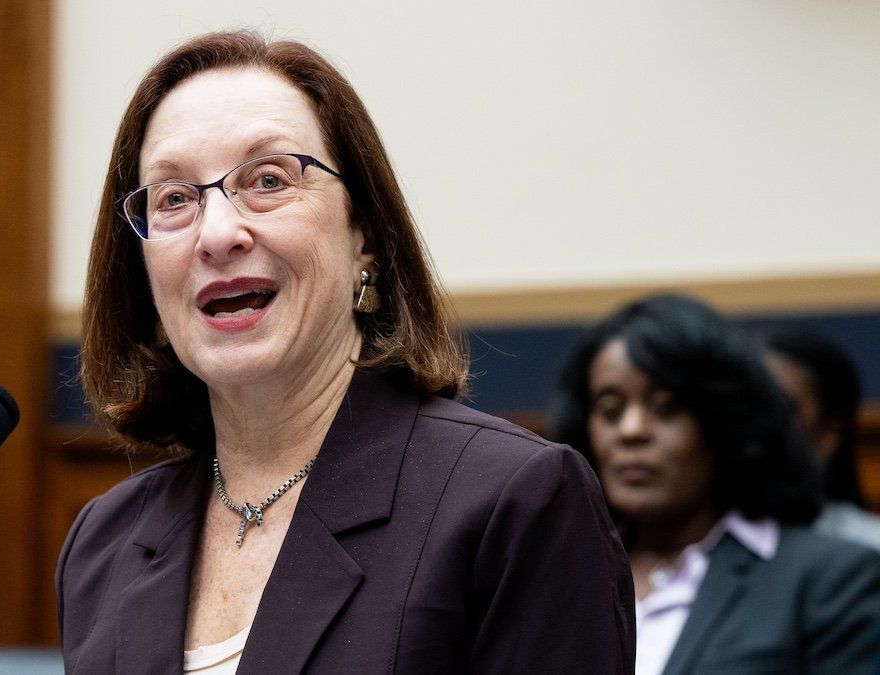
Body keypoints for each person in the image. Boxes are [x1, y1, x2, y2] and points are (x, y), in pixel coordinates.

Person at [57, 31, 634, 674]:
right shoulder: (104, 542)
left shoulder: (513, 500)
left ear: (363, 234)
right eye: (173, 199)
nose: (217, 233)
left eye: (268, 179)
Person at [551, 293, 880, 675]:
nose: (631, 431)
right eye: (610, 410)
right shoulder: (560, 570)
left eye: (666, 408)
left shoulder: (829, 577)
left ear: (725, 420)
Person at [763, 328, 880, 551]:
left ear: (829, 434)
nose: (756, 423)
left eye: (781, 407)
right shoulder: (690, 549)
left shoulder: (870, 551)